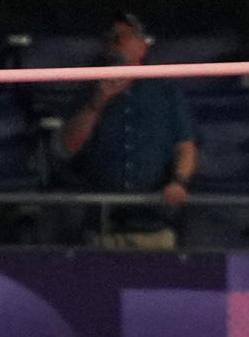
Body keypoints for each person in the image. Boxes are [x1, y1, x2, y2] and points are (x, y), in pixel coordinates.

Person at [58, 15, 197, 248]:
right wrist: (96, 104)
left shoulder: (166, 92)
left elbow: (186, 146)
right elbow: (66, 148)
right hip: (102, 227)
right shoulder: (89, 88)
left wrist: (179, 181)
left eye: (123, 36)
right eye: (110, 38)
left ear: (142, 46)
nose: (115, 42)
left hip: (155, 226)